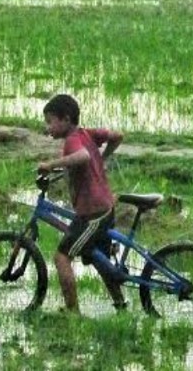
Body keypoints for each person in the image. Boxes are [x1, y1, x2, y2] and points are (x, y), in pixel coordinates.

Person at [38, 94, 125, 314]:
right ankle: (121, 306)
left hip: (92, 214)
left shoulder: (72, 140)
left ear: (65, 120)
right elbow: (117, 136)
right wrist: (103, 157)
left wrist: (51, 164)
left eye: (50, 121)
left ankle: (72, 311)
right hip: (105, 208)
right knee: (100, 259)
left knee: (62, 257)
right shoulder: (87, 133)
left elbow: (83, 157)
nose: (48, 127)